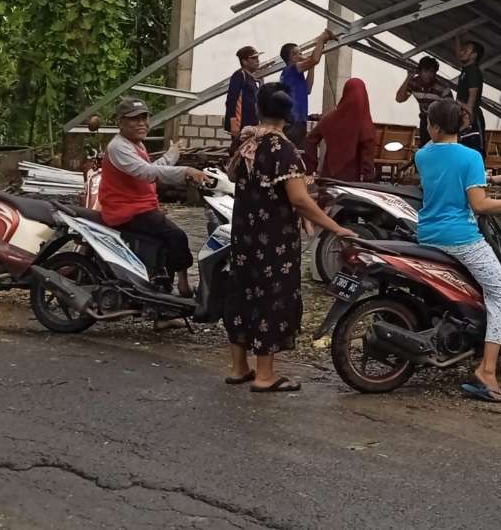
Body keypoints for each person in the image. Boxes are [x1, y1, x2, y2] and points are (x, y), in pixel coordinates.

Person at [223, 85, 354, 392]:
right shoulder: (284, 151)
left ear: (260, 111)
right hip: (273, 240)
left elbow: (232, 178)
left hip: (244, 234)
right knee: (271, 297)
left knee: (242, 293)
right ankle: (265, 375)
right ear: (288, 117)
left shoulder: (246, 144)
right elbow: (298, 199)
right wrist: (334, 228)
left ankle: (239, 367)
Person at [415, 98, 501, 403]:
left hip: (427, 235)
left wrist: (492, 182)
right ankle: (488, 371)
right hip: (461, 239)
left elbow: (451, 188)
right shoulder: (471, 157)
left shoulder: (422, 155)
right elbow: (479, 205)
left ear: (437, 126)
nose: (427, 126)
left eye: (428, 121)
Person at [99, 98, 209, 299]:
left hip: (141, 208)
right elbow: (147, 172)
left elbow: (150, 169)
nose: (141, 123)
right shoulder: (118, 147)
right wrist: (186, 171)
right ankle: (184, 287)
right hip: (126, 211)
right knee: (177, 236)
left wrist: (172, 154)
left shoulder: (134, 144)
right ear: (120, 122)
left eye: (144, 118)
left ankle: (161, 295)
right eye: (134, 119)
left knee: (165, 243)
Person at [303, 78, 377, 182]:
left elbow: (310, 139)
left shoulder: (330, 118)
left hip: (328, 177)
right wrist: (369, 182)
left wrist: (310, 170)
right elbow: (367, 158)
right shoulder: (364, 123)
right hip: (353, 183)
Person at [279, 29, 336, 148]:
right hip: (293, 122)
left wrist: (311, 66)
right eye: (298, 53)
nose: (301, 55)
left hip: (299, 120)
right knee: (295, 154)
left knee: (298, 153)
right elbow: (315, 59)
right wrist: (321, 40)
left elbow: (308, 89)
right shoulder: (291, 70)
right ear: (292, 57)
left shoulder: (296, 74)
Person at [395, 56, 452, 147]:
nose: (428, 75)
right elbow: (399, 99)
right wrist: (408, 77)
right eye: (425, 71)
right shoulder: (414, 83)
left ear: (435, 73)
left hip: (440, 122)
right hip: (425, 119)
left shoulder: (442, 87)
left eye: (431, 72)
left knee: (438, 148)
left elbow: (451, 109)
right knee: (425, 147)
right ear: (420, 71)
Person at [224, 45, 264, 151]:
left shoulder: (251, 78)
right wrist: (233, 123)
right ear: (245, 61)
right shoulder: (240, 75)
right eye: (253, 58)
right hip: (241, 125)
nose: (257, 61)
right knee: (238, 153)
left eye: (257, 58)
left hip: (251, 126)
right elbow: (231, 99)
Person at [454, 35, 487, 159]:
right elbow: (458, 54)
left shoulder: (473, 72)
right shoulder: (466, 69)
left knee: (475, 151)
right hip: (464, 115)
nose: (461, 52)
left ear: (473, 55)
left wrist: (468, 117)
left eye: (466, 50)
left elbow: (472, 99)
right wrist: (457, 36)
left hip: (471, 116)